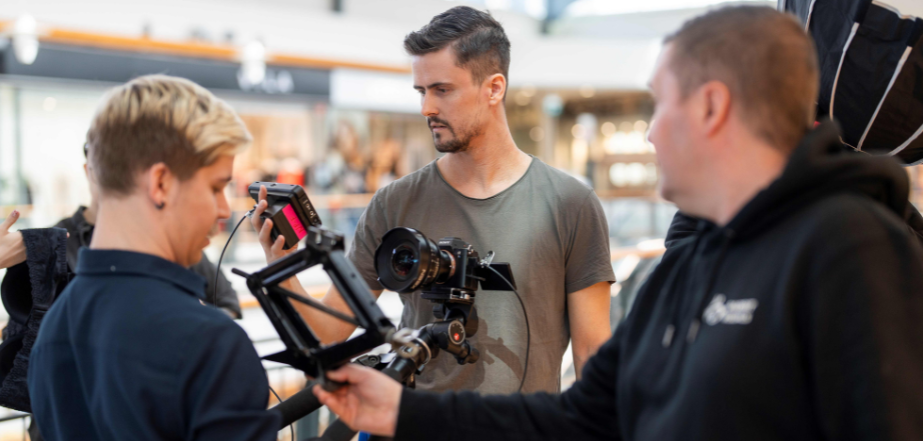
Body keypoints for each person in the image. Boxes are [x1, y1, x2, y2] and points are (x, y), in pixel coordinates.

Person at [311, 7, 923, 440]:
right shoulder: (695, 255)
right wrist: (404, 413)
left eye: (661, 104)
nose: (650, 133)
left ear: (712, 107)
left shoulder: (851, 245)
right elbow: (589, 413)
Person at [252, 6, 615, 394]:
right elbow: (328, 332)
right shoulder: (394, 203)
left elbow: (592, 353)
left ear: (494, 88)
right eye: (421, 91)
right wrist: (282, 264)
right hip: (414, 420)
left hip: (524, 422)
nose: (427, 108)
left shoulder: (570, 204)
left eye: (442, 90)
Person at [28, 75, 280, 440]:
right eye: (215, 187)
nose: (224, 210)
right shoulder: (210, 346)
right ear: (160, 183)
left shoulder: (53, 327)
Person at [54, 152, 242, 318]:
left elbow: (226, 300)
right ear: (90, 172)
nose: (224, 210)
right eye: (214, 189)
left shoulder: (166, 238)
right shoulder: (57, 244)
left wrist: (196, 318)